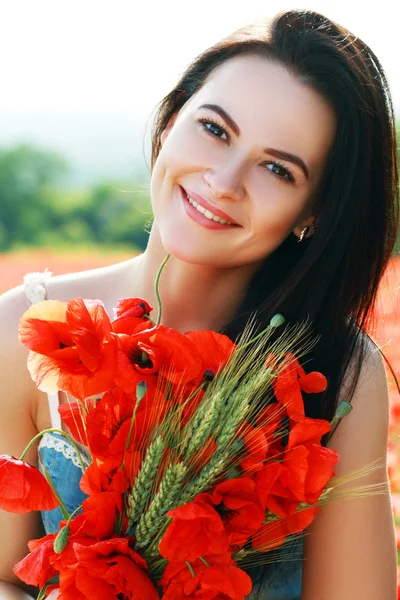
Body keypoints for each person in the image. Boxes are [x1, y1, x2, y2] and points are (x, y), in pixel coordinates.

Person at [0, 8, 398, 599]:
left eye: (276, 169)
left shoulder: (336, 372)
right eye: (214, 129)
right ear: (170, 120)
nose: (224, 180)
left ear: (312, 213)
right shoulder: (27, 328)